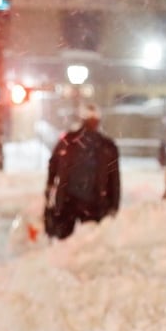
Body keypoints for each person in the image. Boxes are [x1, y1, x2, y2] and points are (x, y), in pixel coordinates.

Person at [44, 103, 121, 240]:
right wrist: (114, 205)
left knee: (65, 241)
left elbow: (53, 165)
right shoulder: (107, 146)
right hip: (93, 201)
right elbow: (114, 179)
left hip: (70, 199)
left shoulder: (68, 140)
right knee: (91, 242)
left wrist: (50, 187)